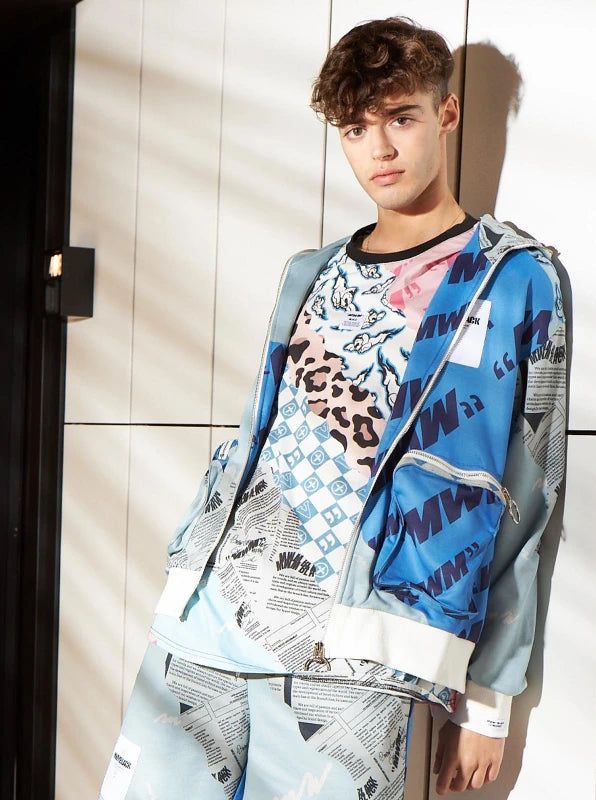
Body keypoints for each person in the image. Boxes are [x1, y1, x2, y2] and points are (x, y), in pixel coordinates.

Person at [98, 15, 566, 800]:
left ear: (446, 113)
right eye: (355, 129)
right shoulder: (307, 272)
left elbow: (530, 488)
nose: (379, 149)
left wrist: (489, 697)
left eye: (401, 118)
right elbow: (259, 437)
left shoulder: (512, 277)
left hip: (361, 648)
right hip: (209, 617)